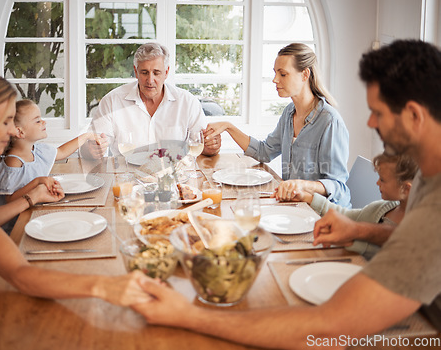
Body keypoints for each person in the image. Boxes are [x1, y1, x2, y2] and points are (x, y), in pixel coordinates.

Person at [132, 40, 441, 347]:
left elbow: (329, 327)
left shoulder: (333, 122)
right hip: (303, 213)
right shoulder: (428, 180)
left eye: (378, 113)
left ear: (414, 115)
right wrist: (362, 229)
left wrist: (187, 315)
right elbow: (414, 241)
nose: (371, 123)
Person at [0, 69, 152, 318]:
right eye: (5, 121)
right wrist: (105, 286)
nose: (12, 131)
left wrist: (34, 195)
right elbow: (19, 274)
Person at [205, 43, 351, 207]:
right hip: (294, 206)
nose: (275, 80)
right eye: (275, 73)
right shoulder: (289, 113)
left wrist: (301, 185)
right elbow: (264, 152)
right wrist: (228, 126)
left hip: (324, 214)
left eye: (283, 74)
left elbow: (337, 186)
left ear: (305, 75)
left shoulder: (329, 121)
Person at [80, 42, 221, 159]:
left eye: (156, 72)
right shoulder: (112, 101)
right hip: (126, 181)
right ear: (136, 71)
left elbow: (203, 145)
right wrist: (90, 149)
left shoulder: (187, 102)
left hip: (175, 179)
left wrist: (211, 147)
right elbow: (88, 148)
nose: (150, 80)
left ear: (166, 72)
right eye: (144, 72)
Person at [0, 99, 101, 234]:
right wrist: (38, 181)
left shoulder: (37, 151)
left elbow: (61, 152)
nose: (44, 122)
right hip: (12, 230)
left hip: (31, 216)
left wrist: (86, 136)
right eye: (37, 120)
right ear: (19, 132)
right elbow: (10, 199)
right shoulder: (13, 162)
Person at [294, 152, 417, 259]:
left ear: (406, 189)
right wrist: (308, 198)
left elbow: (384, 256)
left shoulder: (418, 228)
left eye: (383, 180)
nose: (377, 182)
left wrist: (350, 240)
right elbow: (346, 216)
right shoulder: (383, 208)